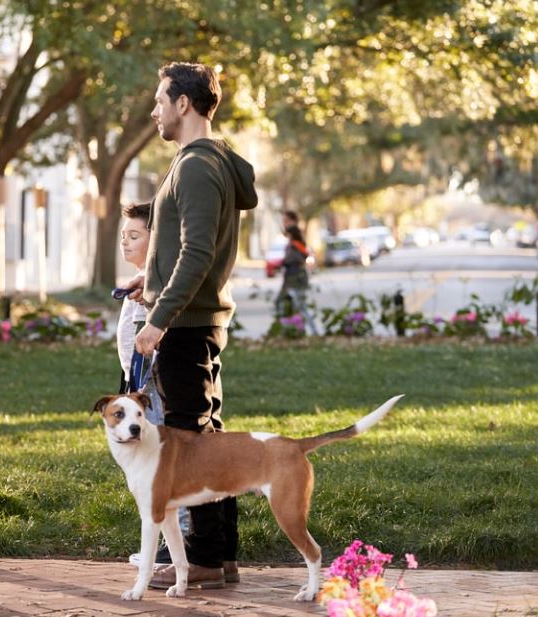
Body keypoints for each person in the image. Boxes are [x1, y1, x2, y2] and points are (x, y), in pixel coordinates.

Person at [131, 62, 258, 590]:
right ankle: (220, 555)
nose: (155, 110)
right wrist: (153, 285)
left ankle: (203, 558)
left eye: (160, 99)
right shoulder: (209, 162)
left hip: (186, 325)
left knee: (191, 439)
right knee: (207, 435)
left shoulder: (197, 166)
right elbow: (186, 250)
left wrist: (159, 318)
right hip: (192, 317)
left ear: (184, 103)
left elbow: (198, 252)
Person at [117, 202, 190, 567]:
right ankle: (169, 542)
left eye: (134, 236)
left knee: (164, 463)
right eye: (123, 236)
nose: (125, 243)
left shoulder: (156, 282)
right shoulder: (142, 278)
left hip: (155, 385)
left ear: (156, 239)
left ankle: (177, 544)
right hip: (141, 386)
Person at [275, 225, 320, 335]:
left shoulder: (296, 246)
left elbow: (293, 260)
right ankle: (292, 330)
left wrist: (283, 263)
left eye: (288, 234)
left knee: (299, 306)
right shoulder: (295, 245)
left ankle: (312, 331)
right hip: (292, 279)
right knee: (290, 305)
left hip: (296, 279)